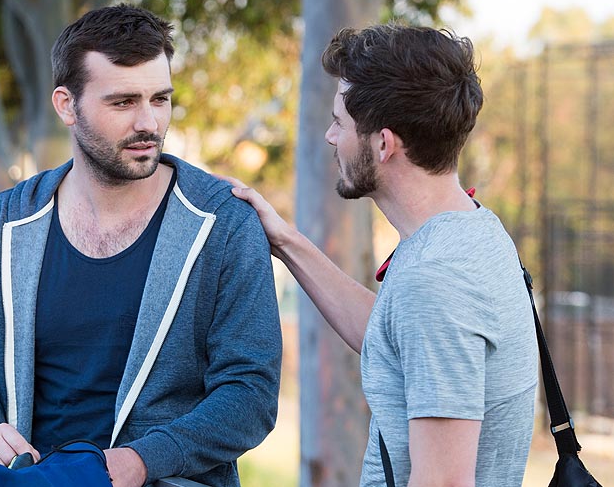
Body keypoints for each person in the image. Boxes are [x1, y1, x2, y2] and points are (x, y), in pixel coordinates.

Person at [0, 4, 281, 487]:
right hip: (25, 479)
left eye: (160, 99)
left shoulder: (223, 222)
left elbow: (250, 394)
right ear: (66, 105)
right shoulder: (2, 221)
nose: (149, 123)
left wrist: (139, 461)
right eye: (123, 102)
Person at [224, 24, 538, 486]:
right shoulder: (473, 230)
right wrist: (286, 242)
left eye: (340, 123)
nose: (331, 137)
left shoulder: (433, 283)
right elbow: (394, 335)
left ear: (384, 144)